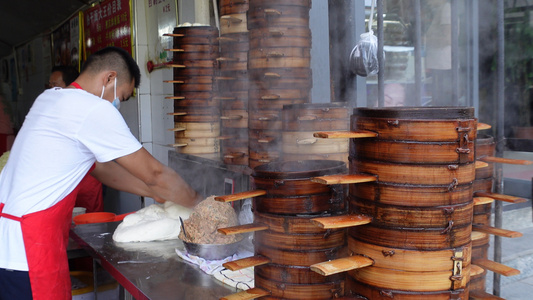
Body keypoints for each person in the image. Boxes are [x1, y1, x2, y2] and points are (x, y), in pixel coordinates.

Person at [0, 46, 200, 300]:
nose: (118, 104)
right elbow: (156, 173)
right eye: (123, 96)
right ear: (109, 78)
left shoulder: (50, 99)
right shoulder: (92, 109)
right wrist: (197, 201)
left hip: (9, 243)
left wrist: (153, 193)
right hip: (28, 251)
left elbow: (102, 168)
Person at [48, 65, 104, 213]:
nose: (51, 88)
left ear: (70, 85)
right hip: (62, 179)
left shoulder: (87, 108)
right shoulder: (48, 108)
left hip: (87, 178)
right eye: (49, 85)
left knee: (90, 224)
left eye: (55, 84)